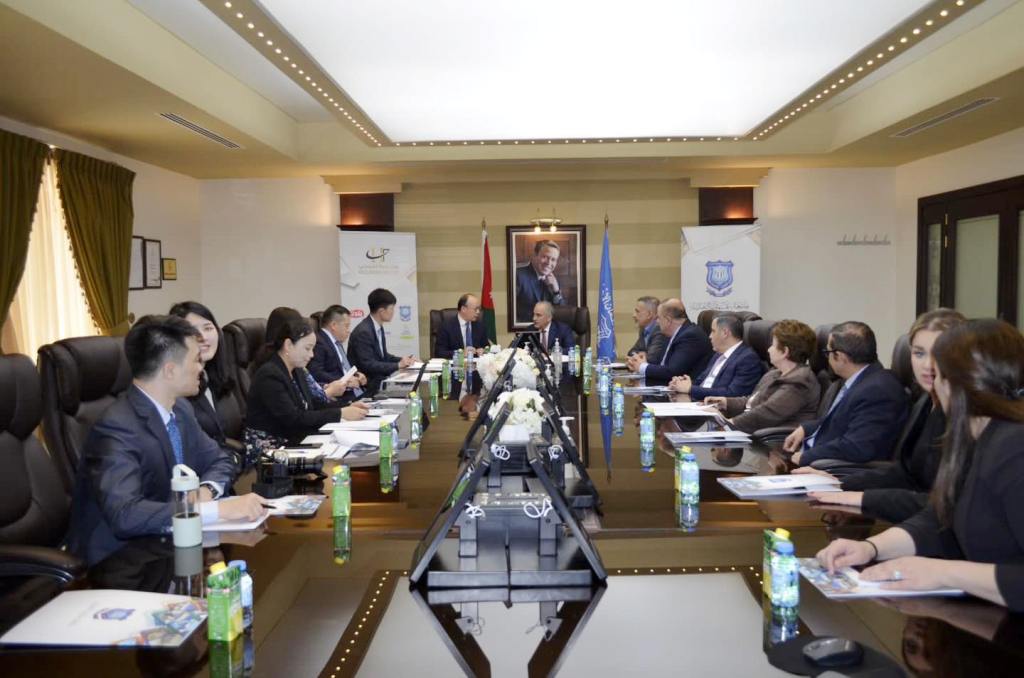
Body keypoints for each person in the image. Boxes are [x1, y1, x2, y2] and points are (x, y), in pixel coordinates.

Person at [815, 319, 1024, 612]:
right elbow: (940, 518)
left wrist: (942, 573)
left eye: (938, 373)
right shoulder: (973, 439)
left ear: (953, 382)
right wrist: (870, 548)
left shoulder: (1014, 449)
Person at [67, 315, 266, 565]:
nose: (201, 367)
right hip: (121, 561)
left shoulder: (180, 409)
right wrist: (214, 509)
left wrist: (206, 491)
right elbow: (125, 515)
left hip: (171, 545)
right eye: (196, 359)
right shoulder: (117, 427)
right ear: (170, 370)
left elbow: (220, 458)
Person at [799, 309, 965, 522]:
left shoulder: (966, 416)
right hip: (916, 520)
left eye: (939, 353)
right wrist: (839, 485)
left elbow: (946, 505)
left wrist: (861, 498)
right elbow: (906, 473)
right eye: (919, 353)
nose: (927, 365)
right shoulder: (927, 402)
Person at [245, 309, 368, 461]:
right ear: (288, 345)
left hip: (294, 439)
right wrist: (340, 414)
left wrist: (347, 406)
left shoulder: (296, 370)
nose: (312, 355)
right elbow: (294, 419)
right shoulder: (269, 375)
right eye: (307, 348)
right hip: (271, 450)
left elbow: (314, 404)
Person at [783, 321, 908, 469]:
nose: (827, 358)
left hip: (830, 469)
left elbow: (857, 447)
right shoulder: (858, 379)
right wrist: (806, 429)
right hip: (815, 456)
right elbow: (842, 420)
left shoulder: (879, 390)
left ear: (841, 356)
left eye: (828, 352)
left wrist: (807, 457)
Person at [706, 319, 820, 433]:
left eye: (773, 345)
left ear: (785, 351)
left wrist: (728, 424)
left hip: (773, 439)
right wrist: (725, 402)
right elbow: (754, 401)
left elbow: (766, 413)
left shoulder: (800, 381)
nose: (768, 349)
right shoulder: (775, 372)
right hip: (752, 431)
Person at [168, 301, 243, 473]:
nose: (203, 337)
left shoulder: (217, 377)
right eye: (192, 331)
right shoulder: (177, 390)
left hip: (231, 469)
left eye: (208, 328)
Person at [670, 313, 763, 400]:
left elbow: (733, 394)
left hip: (716, 408)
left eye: (713, 331)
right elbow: (702, 382)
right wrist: (681, 383)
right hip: (698, 402)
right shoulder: (718, 354)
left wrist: (690, 389)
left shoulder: (747, 359)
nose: (710, 336)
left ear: (725, 333)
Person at [625, 299, 711, 385]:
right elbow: (660, 363)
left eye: (659, 318)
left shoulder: (690, 336)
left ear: (668, 320)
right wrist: (643, 361)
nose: (657, 321)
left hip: (685, 390)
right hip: (664, 385)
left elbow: (673, 371)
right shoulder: (669, 334)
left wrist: (642, 367)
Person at [348, 288, 416, 394]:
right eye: (391, 308)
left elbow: (383, 356)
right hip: (367, 387)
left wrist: (404, 360)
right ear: (381, 311)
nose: (393, 312)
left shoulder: (377, 327)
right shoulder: (364, 332)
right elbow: (368, 364)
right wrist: (398, 365)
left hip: (378, 383)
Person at [308, 304, 368, 402]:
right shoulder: (319, 342)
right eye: (346, 326)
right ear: (334, 325)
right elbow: (316, 373)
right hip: (340, 398)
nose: (348, 331)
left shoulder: (336, 342)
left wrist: (356, 375)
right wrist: (345, 380)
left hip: (355, 393)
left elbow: (342, 368)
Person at [515, 239, 566, 323]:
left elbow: (563, 315)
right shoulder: (518, 276)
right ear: (535, 255)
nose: (549, 263)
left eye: (553, 259)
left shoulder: (554, 282)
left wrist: (556, 291)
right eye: (545, 257)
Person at [434, 293, 489, 359]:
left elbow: (487, 348)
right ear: (463, 309)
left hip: (476, 364)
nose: (478, 312)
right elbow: (439, 353)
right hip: (456, 364)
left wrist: (484, 351)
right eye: (475, 309)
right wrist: (460, 354)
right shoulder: (446, 326)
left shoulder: (480, 326)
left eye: (479, 309)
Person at [627, 296, 667, 364]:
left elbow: (652, 358)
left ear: (649, 314)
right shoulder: (643, 329)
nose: (634, 315)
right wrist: (642, 354)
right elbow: (631, 352)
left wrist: (642, 355)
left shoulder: (660, 330)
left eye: (637, 311)